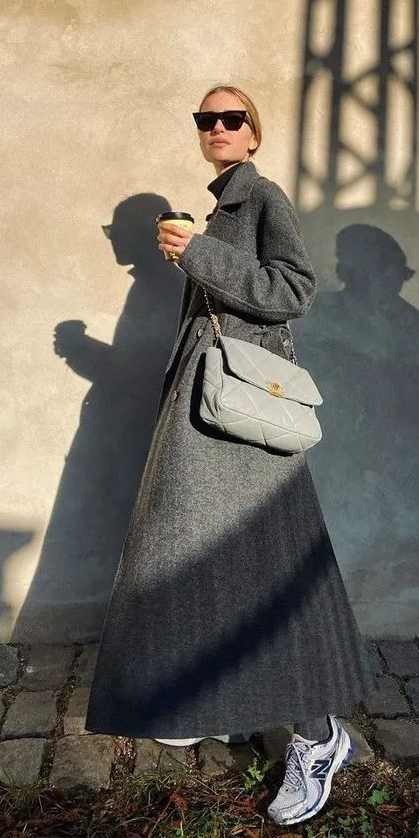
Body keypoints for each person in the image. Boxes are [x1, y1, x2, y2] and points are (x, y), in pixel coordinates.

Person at [85, 85, 379, 827]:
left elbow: (293, 290)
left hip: (241, 417)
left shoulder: (260, 198)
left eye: (231, 118)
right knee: (202, 558)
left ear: (252, 134)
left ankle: (317, 735)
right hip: (209, 412)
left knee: (261, 565)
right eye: (205, 119)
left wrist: (201, 253)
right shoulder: (219, 210)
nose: (216, 127)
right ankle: (215, 697)